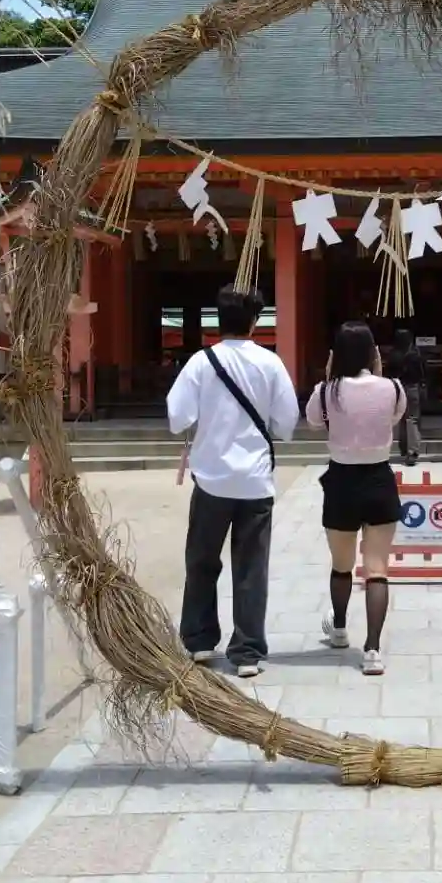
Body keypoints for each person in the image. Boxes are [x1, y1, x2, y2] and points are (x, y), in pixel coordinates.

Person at [165, 285, 300, 677]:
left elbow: (177, 416)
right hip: (255, 480)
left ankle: (200, 639)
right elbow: (287, 422)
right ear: (255, 322)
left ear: (218, 321)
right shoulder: (270, 363)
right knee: (251, 567)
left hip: (211, 479)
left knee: (202, 561)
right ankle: (248, 651)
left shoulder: (200, 363)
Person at [305, 322, 407, 676]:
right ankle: (373, 649)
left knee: (341, 565)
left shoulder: (325, 392)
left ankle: (339, 628)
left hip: (341, 481)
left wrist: (329, 377)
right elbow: (394, 417)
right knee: (377, 569)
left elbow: (313, 422)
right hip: (379, 479)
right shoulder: (393, 388)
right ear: (372, 352)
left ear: (335, 354)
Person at [382, 327, 425, 465]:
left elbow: (387, 373)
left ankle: (404, 447)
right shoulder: (415, 354)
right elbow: (423, 372)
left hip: (396, 388)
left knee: (400, 417)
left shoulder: (393, 355)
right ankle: (413, 451)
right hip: (412, 388)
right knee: (412, 419)